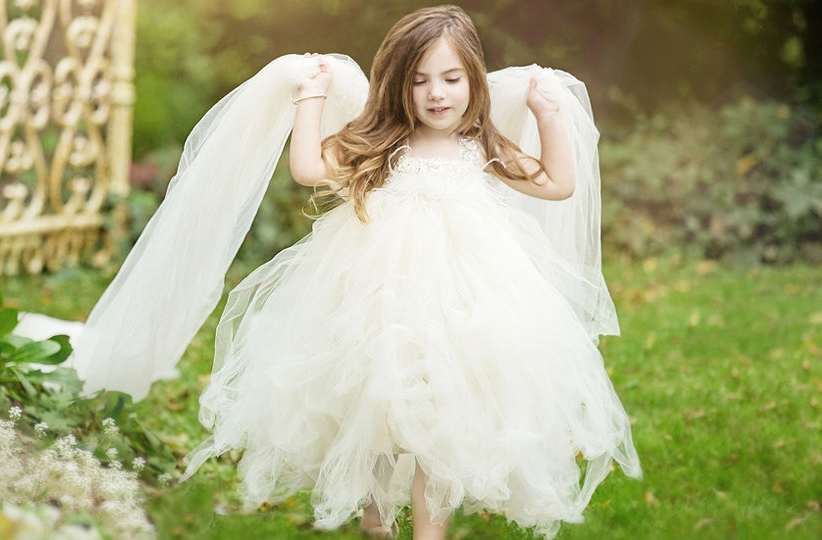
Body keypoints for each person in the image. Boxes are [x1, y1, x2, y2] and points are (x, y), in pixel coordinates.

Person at [172, 5, 641, 540]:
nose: (436, 93)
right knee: (371, 405)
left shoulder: (481, 144)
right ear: (397, 85)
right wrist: (312, 96)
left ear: (473, 80)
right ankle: (377, 522)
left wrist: (548, 115)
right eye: (419, 81)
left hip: (464, 297)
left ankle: (428, 534)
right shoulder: (382, 143)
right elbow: (307, 169)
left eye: (450, 78)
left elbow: (556, 183)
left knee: (438, 421)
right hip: (376, 292)